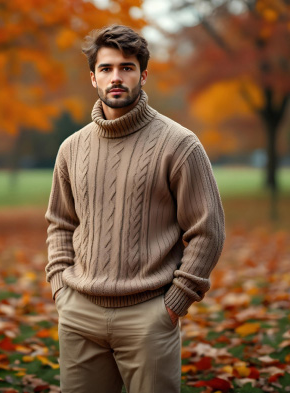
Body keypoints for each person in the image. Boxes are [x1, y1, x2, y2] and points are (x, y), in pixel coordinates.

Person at [45, 24, 225, 393]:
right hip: (79, 314)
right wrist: (61, 289)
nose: (116, 77)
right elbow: (60, 223)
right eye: (106, 68)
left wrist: (175, 303)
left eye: (126, 68)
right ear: (92, 78)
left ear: (143, 75)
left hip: (149, 314)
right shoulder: (71, 149)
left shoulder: (180, 144)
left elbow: (208, 231)